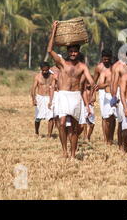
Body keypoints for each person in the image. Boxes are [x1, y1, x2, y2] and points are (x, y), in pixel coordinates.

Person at [47, 21, 95, 159]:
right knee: (61, 123)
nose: (73, 53)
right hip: (62, 95)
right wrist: (54, 29)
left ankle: (73, 154)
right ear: (67, 52)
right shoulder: (62, 63)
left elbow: (90, 80)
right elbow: (50, 50)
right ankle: (64, 151)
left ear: (78, 52)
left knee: (74, 128)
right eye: (71, 51)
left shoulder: (82, 66)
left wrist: (93, 87)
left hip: (75, 97)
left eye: (75, 51)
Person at [93, 49, 116, 144]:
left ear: (110, 58)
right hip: (103, 93)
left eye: (107, 59)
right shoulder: (99, 67)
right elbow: (94, 82)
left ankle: (111, 137)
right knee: (105, 116)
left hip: (113, 92)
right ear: (102, 58)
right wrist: (92, 94)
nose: (106, 61)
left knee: (113, 116)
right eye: (104, 59)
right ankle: (105, 138)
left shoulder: (114, 67)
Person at [31, 62, 55, 137]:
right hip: (40, 97)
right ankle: (36, 132)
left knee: (51, 117)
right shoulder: (37, 77)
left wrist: (51, 101)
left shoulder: (52, 77)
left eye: (46, 70)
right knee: (38, 117)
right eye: (43, 70)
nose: (44, 72)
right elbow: (33, 88)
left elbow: (53, 88)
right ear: (41, 69)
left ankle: (49, 135)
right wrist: (33, 99)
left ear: (49, 69)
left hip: (49, 97)